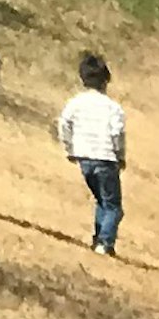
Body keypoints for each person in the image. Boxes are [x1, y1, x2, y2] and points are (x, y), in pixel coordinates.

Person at [55, 49, 128, 253]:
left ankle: (98, 239)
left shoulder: (75, 103)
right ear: (106, 80)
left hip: (84, 159)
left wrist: (70, 148)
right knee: (113, 206)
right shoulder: (113, 108)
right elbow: (117, 133)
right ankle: (105, 243)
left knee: (101, 201)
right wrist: (120, 156)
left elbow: (64, 124)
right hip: (106, 159)